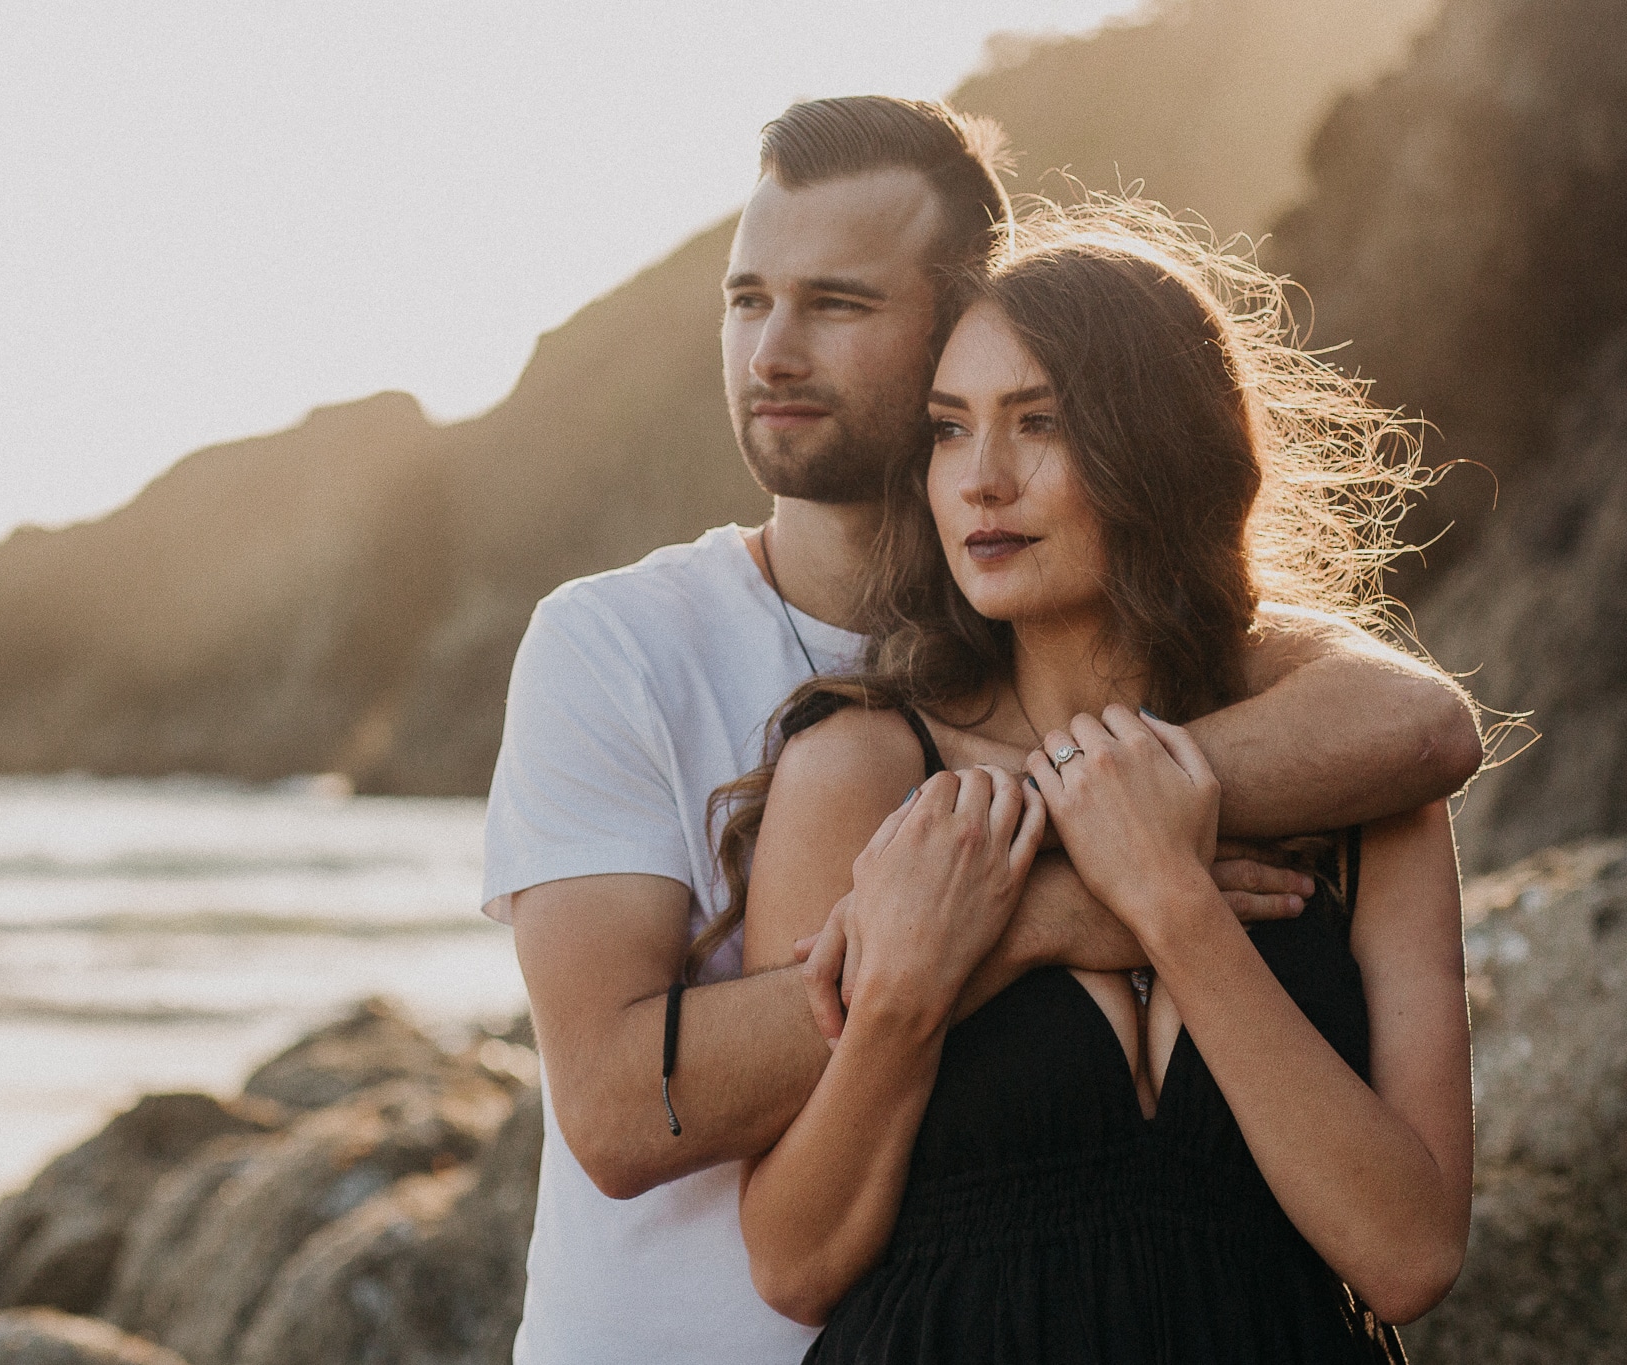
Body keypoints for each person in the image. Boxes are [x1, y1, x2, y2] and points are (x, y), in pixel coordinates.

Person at [482, 97, 1482, 1364]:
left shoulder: (1303, 709)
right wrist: (1025, 912)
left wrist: (1120, 848)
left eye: (837, 303)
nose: (773, 351)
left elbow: (1424, 725)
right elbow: (626, 1121)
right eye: (745, 301)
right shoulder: (659, 666)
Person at [733, 204, 1473, 1361]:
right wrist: (905, 992)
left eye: (1038, 424)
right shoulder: (860, 770)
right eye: (945, 429)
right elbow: (794, 1263)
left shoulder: (1356, 793)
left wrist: (1171, 906)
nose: (978, 480)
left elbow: (1407, 1256)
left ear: (1156, 447)